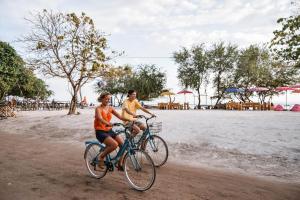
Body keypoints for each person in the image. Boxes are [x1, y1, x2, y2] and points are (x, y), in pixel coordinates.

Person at [94, 92, 131, 169]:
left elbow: (120, 116)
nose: (108, 100)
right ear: (102, 99)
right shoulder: (98, 108)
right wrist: (108, 123)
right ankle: (101, 157)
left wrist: (129, 119)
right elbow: (100, 119)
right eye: (106, 99)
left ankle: (119, 164)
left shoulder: (110, 108)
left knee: (122, 145)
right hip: (100, 131)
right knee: (114, 144)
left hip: (109, 130)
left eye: (109, 99)